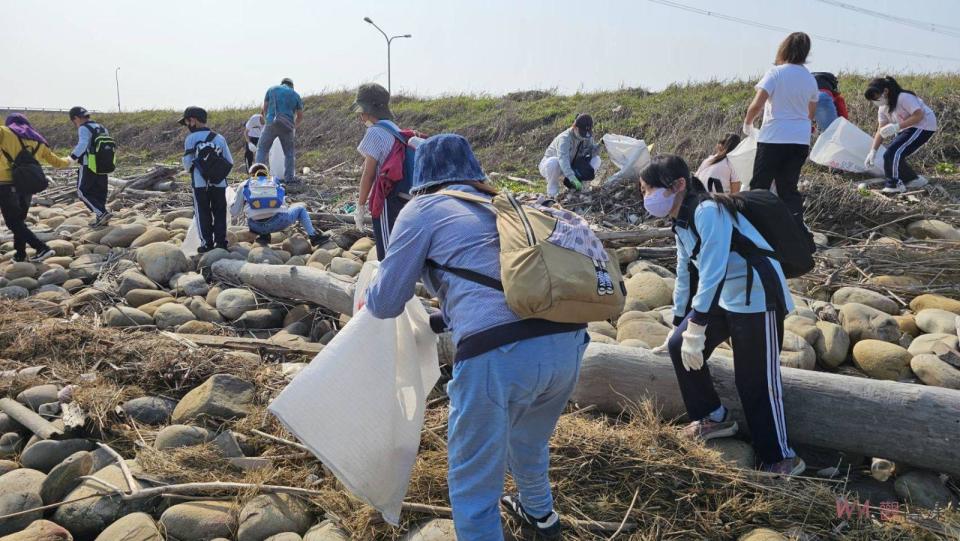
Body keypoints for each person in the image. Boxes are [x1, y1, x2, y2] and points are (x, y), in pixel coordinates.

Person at [365, 134, 587, 540]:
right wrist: (441, 319)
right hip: (567, 344)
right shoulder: (506, 204)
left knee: (473, 484)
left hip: (498, 358)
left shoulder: (424, 208)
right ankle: (541, 518)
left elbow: (385, 302)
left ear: (423, 177)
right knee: (529, 440)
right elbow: (504, 288)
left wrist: (365, 297)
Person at [641, 154, 804, 476]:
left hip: (757, 296)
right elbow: (686, 271)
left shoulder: (708, 210)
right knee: (678, 346)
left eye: (649, 189)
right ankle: (713, 416)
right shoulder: (681, 219)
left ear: (678, 185)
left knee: (755, 379)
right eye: (643, 191)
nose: (646, 197)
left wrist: (698, 323)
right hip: (725, 296)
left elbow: (713, 268)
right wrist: (679, 323)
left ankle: (781, 456)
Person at [742, 32, 818, 228]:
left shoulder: (775, 73)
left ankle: (755, 227)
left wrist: (748, 123)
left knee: (760, 185)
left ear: (783, 48)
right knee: (788, 188)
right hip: (800, 141)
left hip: (774, 138)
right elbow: (810, 113)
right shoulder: (810, 79)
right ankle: (795, 229)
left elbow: (757, 104)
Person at [351, 83, 419, 260]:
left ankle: (389, 285)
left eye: (361, 110)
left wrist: (360, 206)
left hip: (388, 199)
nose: (359, 115)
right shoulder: (394, 128)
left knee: (388, 253)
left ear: (368, 110)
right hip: (406, 195)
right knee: (401, 244)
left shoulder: (374, 132)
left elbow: (369, 174)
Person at [0, 114, 72, 262]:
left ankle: (41, 247)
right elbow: (57, 162)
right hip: (27, 186)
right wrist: (71, 160)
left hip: (6, 184)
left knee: (13, 222)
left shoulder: (4, 132)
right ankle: (20, 254)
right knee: (19, 221)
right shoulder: (38, 140)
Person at [864, 76, 937, 194]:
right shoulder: (883, 108)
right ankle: (913, 179)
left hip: (923, 125)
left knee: (893, 152)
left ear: (886, 91)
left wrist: (897, 127)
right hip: (908, 127)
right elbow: (880, 130)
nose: (875, 101)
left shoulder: (904, 97)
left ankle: (894, 184)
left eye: (876, 97)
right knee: (892, 152)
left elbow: (919, 115)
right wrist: (873, 151)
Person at [230, 163, 327, 247]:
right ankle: (313, 236)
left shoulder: (244, 185)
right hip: (279, 223)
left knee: (257, 214)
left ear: (251, 175)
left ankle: (264, 236)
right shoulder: (273, 182)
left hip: (256, 227)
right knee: (300, 209)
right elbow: (282, 206)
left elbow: (234, 212)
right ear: (267, 173)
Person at [180, 106, 233, 253]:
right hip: (219, 183)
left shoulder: (190, 139)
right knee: (220, 212)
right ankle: (221, 243)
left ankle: (207, 244)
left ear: (193, 120)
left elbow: (187, 164)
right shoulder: (219, 138)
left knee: (202, 212)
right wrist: (217, 174)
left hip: (199, 183)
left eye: (187, 122)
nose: (187, 126)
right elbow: (229, 161)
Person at [68, 106, 112, 226]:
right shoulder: (102, 127)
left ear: (76, 118)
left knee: (82, 191)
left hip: (89, 164)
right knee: (100, 191)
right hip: (104, 165)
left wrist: (71, 158)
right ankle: (101, 218)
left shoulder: (83, 128)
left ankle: (102, 213)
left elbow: (83, 144)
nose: (75, 124)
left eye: (73, 121)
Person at [254, 78, 303, 184]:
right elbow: (300, 116)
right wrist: (294, 126)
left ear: (282, 83)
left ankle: (259, 177)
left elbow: (265, 108)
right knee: (289, 153)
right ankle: (289, 178)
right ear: (292, 86)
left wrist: (268, 120)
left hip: (272, 122)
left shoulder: (272, 89)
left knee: (262, 149)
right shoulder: (295, 95)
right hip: (287, 126)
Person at [539, 114, 601, 197]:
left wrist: (601, 144)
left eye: (587, 133)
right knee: (554, 162)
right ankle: (552, 192)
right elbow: (563, 160)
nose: (584, 136)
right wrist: (572, 178)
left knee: (596, 159)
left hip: (572, 165)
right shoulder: (564, 139)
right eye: (582, 133)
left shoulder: (587, 136)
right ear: (575, 127)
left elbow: (591, 153)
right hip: (552, 167)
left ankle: (583, 187)